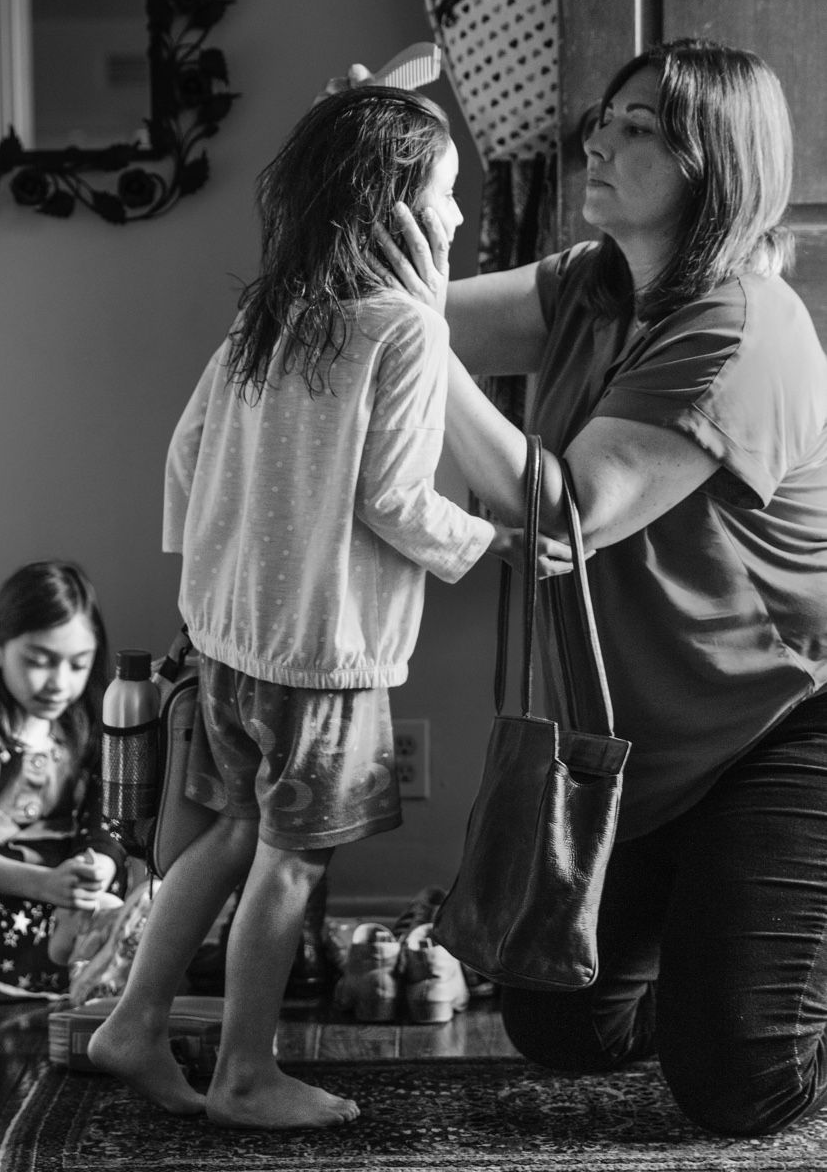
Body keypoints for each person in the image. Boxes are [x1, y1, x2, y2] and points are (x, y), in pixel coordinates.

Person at [364, 36, 827, 1138]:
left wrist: (424, 351)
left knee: (741, 1091)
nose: (599, 141)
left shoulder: (745, 329)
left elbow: (568, 501)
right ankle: (739, 953)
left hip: (782, 730)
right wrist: (369, 161)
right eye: (604, 119)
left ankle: (764, 982)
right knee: (559, 1030)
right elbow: (397, 312)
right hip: (639, 750)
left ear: (712, 162)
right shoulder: (588, 284)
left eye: (639, 129)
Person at [87, 85, 533, 1130]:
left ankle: (135, 1023)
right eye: (447, 195)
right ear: (391, 211)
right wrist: (493, 542)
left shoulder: (270, 313)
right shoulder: (404, 330)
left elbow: (187, 453)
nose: (461, 218)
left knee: (236, 831)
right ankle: (245, 1073)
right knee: (293, 863)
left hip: (232, 640)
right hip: (323, 659)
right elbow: (394, 501)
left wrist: (217, 580)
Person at [0, 560, 127, 1002]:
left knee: (119, 858)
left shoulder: (82, 731)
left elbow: (106, 824)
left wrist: (90, 875)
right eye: (39, 662)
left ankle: (76, 940)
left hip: (53, 894)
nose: (59, 683)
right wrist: (46, 885)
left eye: (78, 665)